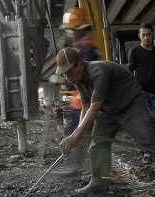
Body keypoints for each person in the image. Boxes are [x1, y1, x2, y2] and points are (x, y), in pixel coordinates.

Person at [55, 48, 155, 194]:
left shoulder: (98, 71)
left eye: (68, 72)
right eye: (64, 74)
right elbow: (86, 106)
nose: (67, 77)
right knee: (98, 144)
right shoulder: (77, 79)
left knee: (146, 137)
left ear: (79, 64)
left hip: (130, 104)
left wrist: (75, 136)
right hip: (109, 108)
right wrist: (78, 133)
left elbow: (94, 107)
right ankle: (98, 180)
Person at [54, 7, 101, 176]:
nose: (70, 33)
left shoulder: (87, 49)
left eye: (72, 30)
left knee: (77, 132)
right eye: (69, 30)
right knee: (76, 131)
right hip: (80, 100)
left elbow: (86, 79)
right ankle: (78, 164)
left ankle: (77, 166)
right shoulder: (80, 47)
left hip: (85, 101)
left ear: (81, 29)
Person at [128, 23, 155, 160]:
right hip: (141, 94)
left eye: (149, 34)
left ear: (152, 35)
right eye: (143, 35)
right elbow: (129, 74)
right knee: (145, 124)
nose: (146, 37)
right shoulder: (134, 52)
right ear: (139, 36)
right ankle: (147, 152)